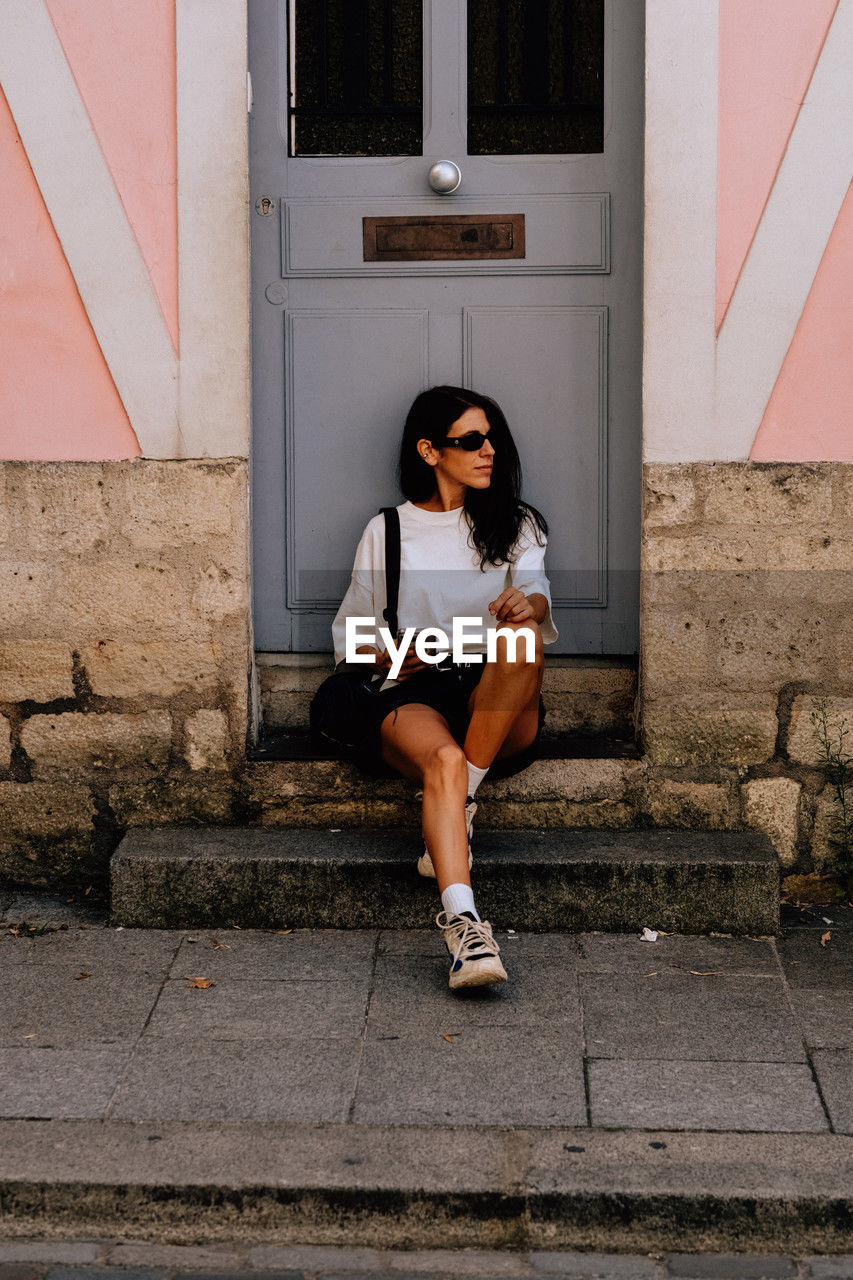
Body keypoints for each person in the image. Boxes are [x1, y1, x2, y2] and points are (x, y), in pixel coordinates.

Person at [331, 386, 559, 990]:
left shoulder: (518, 523)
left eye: (491, 439)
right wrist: (398, 652)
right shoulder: (388, 531)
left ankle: (457, 804)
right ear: (430, 451)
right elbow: (349, 637)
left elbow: (538, 593)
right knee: (443, 758)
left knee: (524, 638)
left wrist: (525, 602)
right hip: (415, 694)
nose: (488, 452)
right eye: (470, 441)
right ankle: (465, 928)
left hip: (498, 705)